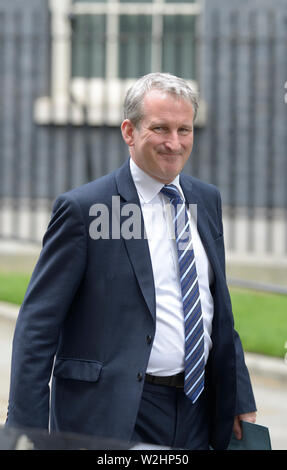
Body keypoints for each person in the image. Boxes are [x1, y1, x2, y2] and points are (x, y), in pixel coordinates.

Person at [6, 73, 256, 450]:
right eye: (160, 128)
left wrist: (238, 394)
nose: (175, 143)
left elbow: (216, 308)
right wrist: (25, 432)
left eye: (184, 129)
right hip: (116, 413)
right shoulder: (87, 210)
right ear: (129, 131)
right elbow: (38, 325)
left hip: (196, 409)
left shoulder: (206, 200)